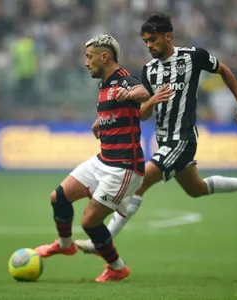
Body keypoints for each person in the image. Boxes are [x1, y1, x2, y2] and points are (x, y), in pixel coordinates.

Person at [75, 12, 237, 254]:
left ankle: (102, 242)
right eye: (146, 41)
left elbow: (223, 70)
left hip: (183, 139)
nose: (149, 45)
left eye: (153, 40)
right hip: (164, 141)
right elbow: (142, 113)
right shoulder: (148, 70)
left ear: (168, 36)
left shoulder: (194, 57)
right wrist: (151, 101)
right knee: (196, 189)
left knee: (139, 183)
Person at [34, 34, 150, 282]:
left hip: (123, 168)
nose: (86, 62)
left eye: (89, 57)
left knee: (89, 223)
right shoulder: (104, 84)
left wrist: (130, 94)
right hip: (102, 160)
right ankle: (65, 244)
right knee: (59, 197)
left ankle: (117, 267)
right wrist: (100, 123)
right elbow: (115, 111)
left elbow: (142, 92)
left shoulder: (123, 80)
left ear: (104, 57)